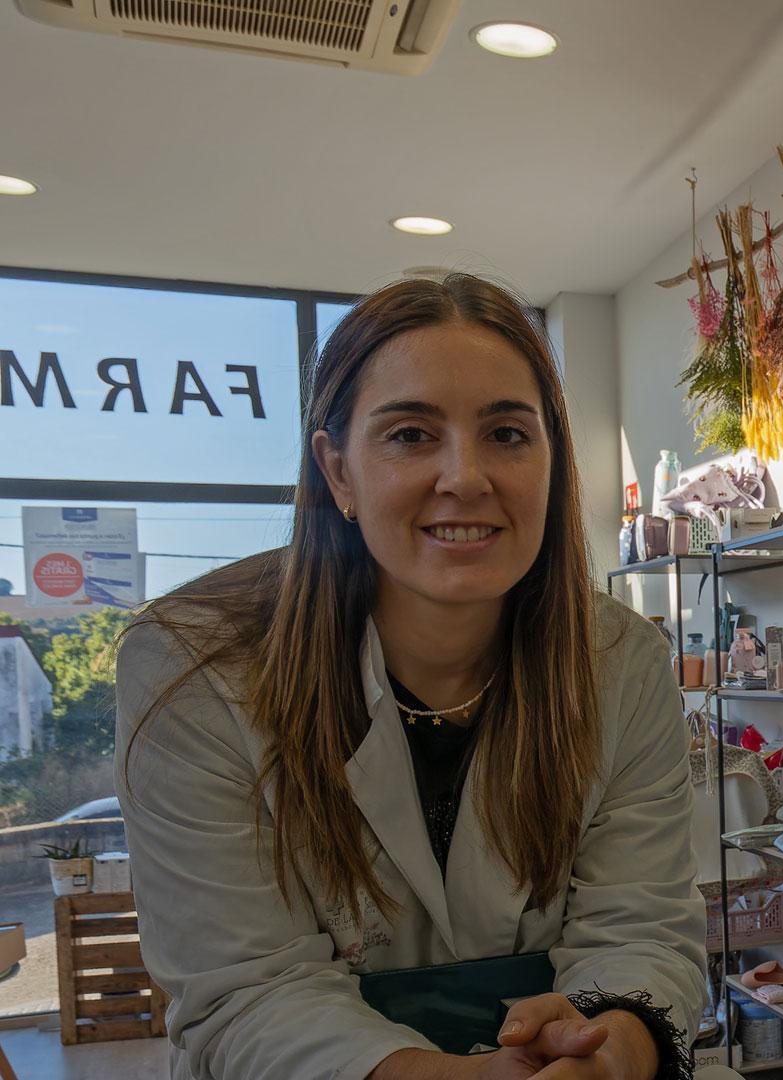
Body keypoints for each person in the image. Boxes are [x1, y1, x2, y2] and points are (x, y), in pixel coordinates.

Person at [115, 275, 713, 1080]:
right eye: (409, 435)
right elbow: (245, 990)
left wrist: (608, 1053)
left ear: (553, 464)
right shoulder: (192, 668)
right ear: (337, 472)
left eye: (507, 433)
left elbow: (642, 932)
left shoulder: (624, 663)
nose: (465, 477)